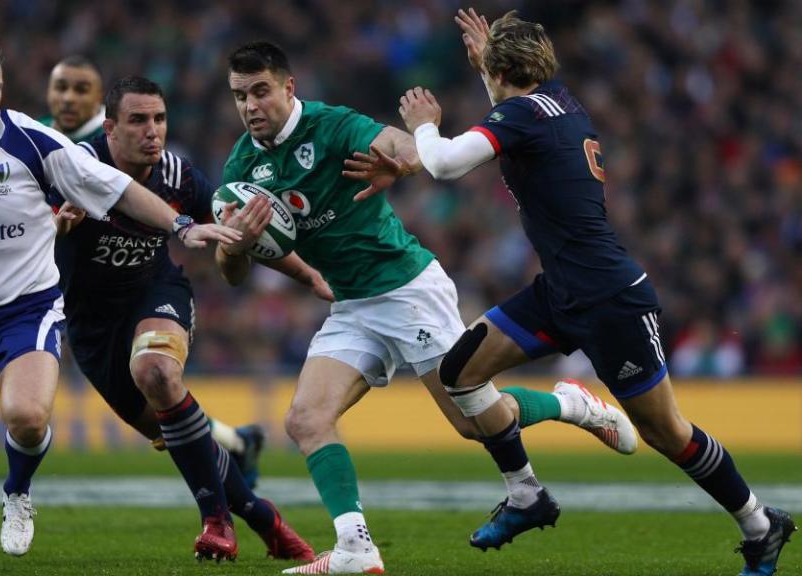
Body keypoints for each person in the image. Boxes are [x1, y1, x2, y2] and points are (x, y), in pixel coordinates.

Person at [372, 9, 795, 576]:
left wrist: (425, 122)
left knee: (665, 432)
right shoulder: (557, 101)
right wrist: (487, 68)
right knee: (461, 372)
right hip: (561, 291)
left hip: (609, 299)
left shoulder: (523, 114)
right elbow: (513, 105)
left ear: (503, 72)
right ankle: (526, 495)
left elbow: (445, 165)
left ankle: (760, 525)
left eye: (492, 70)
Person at [215, 41, 638, 575]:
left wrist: (404, 160)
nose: (250, 106)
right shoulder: (243, 165)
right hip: (353, 307)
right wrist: (232, 245)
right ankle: (355, 548)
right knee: (305, 418)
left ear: (288, 88)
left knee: (474, 424)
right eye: (239, 96)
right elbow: (230, 273)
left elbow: (399, 144)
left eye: (260, 92)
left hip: (408, 290)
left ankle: (572, 404)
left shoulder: (331, 126)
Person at [0, 32, 240, 576]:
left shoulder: (33, 141)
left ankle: (17, 492)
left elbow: (115, 188)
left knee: (25, 415)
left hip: (27, 308)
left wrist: (182, 223)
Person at [0, 56, 266, 522]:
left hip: (133, 293)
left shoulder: (118, 153)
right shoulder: (28, 139)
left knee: (156, 379)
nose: (68, 97)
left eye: (80, 89)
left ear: (99, 107)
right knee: (159, 414)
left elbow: (199, 218)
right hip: (67, 303)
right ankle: (233, 442)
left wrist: (291, 267)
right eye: (60, 87)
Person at [53, 74, 315, 562]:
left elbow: (243, 233)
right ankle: (263, 518)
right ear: (109, 128)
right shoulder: (75, 168)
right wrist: (55, 228)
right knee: (176, 434)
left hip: (156, 293)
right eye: (137, 120)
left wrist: (311, 278)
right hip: (91, 328)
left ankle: (217, 523)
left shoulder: (178, 176)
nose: (152, 131)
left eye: (159, 119)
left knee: (156, 370)